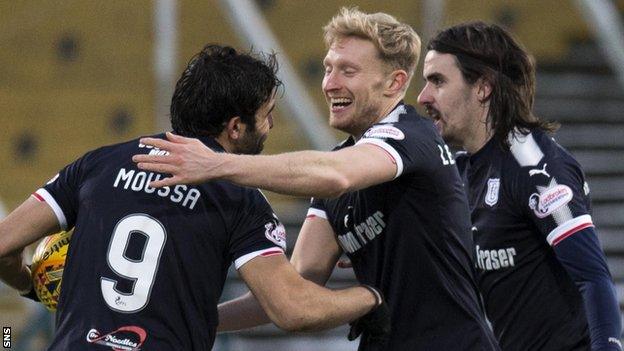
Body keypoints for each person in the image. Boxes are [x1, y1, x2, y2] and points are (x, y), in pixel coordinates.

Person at [133, 8, 501, 351]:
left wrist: (216, 164)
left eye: (348, 71)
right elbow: (294, 292)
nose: (330, 83)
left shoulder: (412, 137)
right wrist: (188, 320)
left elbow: (336, 175)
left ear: (394, 83)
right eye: (328, 68)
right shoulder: (339, 165)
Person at [0, 44, 389, 350]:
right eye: (268, 114)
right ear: (236, 127)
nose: (270, 125)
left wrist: (30, 285)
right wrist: (371, 296)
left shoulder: (96, 165)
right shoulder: (239, 199)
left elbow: (3, 246)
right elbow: (291, 309)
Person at [417, 22, 622, 351]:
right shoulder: (461, 171)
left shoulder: (536, 166)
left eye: (438, 81)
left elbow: (593, 278)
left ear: (483, 87)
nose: (423, 96)